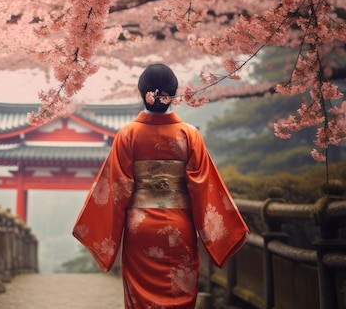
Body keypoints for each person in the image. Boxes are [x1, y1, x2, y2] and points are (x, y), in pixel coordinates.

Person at [72, 63, 249, 309]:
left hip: (140, 230)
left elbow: (115, 190)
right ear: (172, 94)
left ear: (143, 92)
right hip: (180, 228)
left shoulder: (127, 135)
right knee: (180, 293)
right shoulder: (189, 135)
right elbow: (203, 188)